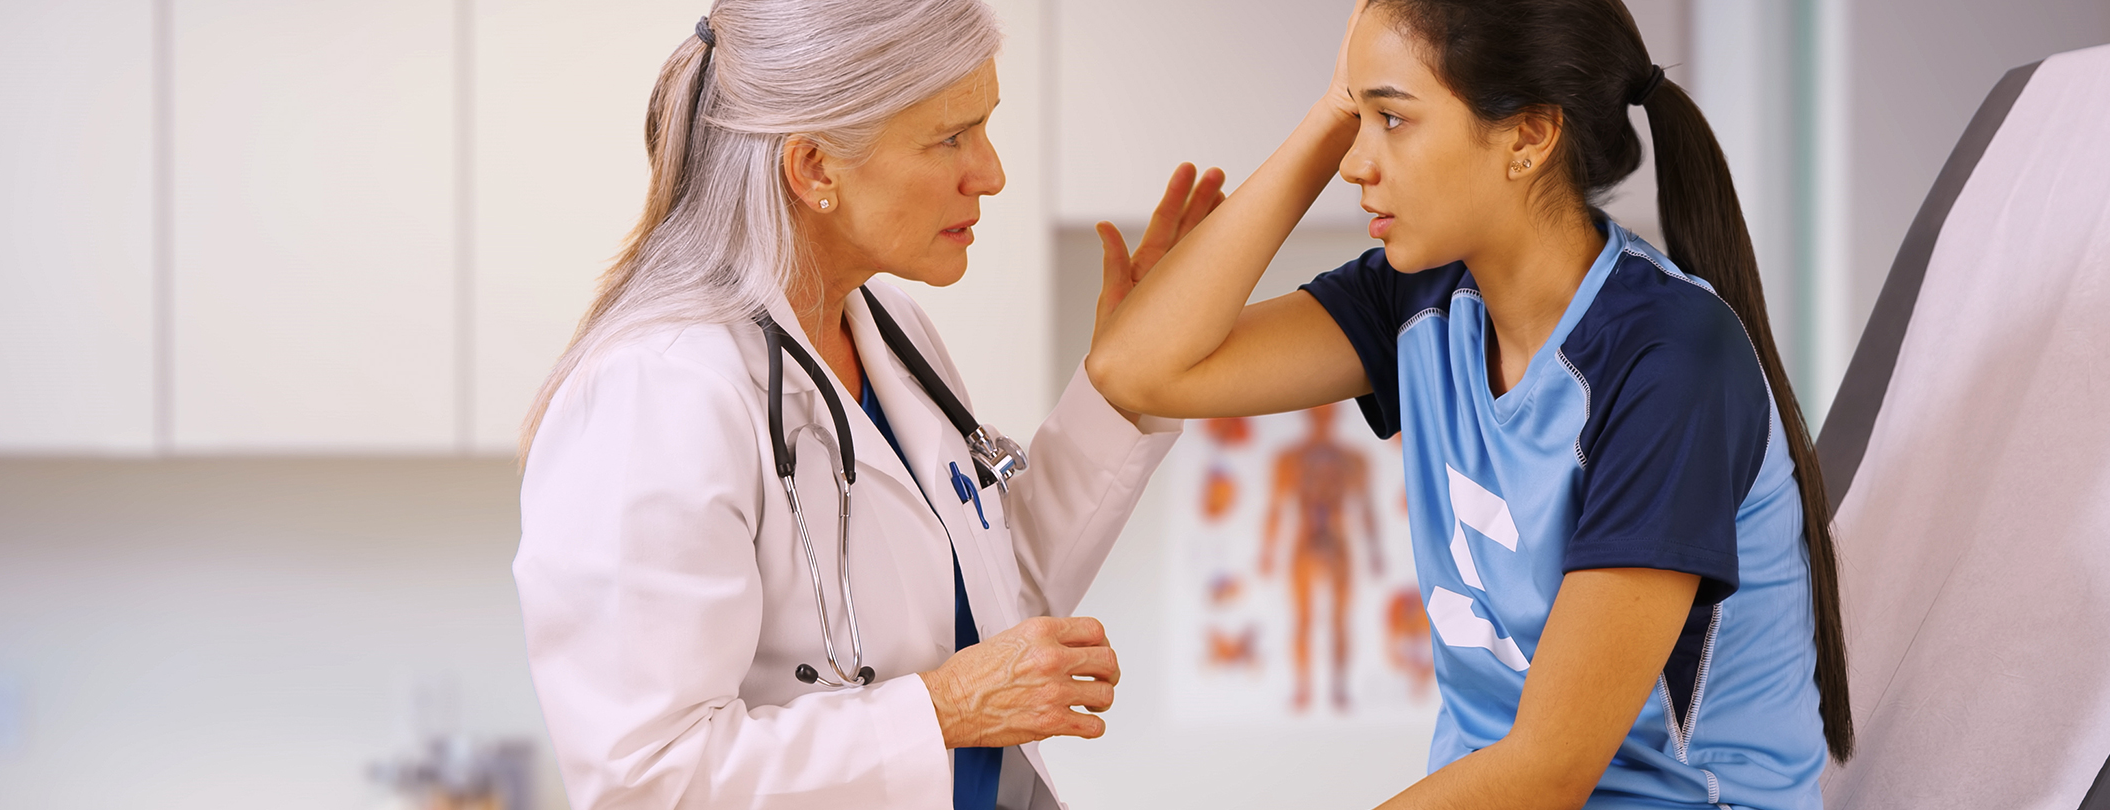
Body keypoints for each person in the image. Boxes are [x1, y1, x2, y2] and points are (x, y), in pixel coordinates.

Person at [1085, 0, 1851, 807]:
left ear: (1527, 136)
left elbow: (1547, 771)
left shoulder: (1668, 360)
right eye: (1360, 114)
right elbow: (1137, 371)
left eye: (1392, 118)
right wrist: (1327, 115)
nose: (1356, 161)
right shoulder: (1423, 299)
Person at [510, 2, 1222, 808]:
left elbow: (988, 607)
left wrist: (1121, 386)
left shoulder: (892, 335)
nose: (989, 173)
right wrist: (946, 709)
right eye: (950, 137)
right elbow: (646, 781)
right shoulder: (658, 390)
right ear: (814, 167)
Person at [1260, 404, 1383, 711]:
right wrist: (1268, 550)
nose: (1322, 417)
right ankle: (1304, 687)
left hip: (1338, 541)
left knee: (1339, 620)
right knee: (1304, 619)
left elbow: (1366, 509)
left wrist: (1374, 551)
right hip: (1305, 540)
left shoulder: (1352, 460)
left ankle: (1339, 687)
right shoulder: (1290, 459)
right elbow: (1276, 507)